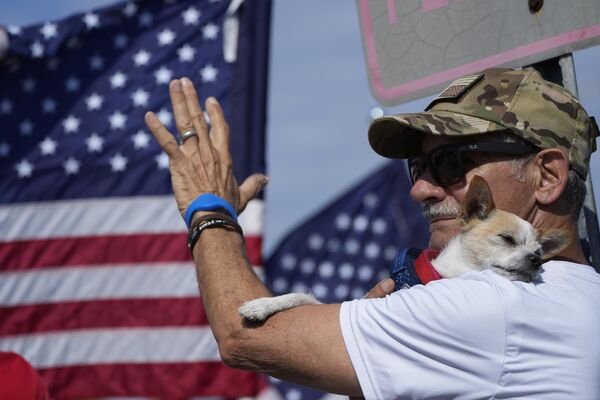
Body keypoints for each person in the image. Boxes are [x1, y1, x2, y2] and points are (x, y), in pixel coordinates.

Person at [144, 68, 600, 399]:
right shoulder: (582, 296)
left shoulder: (497, 305)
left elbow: (246, 336)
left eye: (451, 164)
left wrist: (210, 210)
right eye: (417, 167)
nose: (421, 188)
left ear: (547, 176)